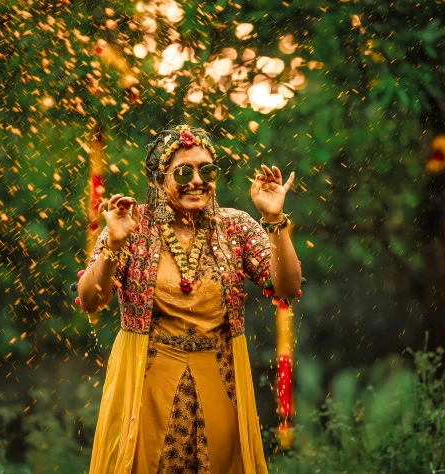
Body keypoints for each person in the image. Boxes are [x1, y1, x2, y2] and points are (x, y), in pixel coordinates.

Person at [77, 125, 302, 474]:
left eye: (206, 170)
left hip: (220, 381)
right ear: (157, 179)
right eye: (184, 171)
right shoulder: (130, 225)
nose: (197, 180)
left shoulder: (236, 227)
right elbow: (91, 300)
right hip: (147, 388)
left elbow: (286, 287)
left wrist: (273, 218)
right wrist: (113, 247)